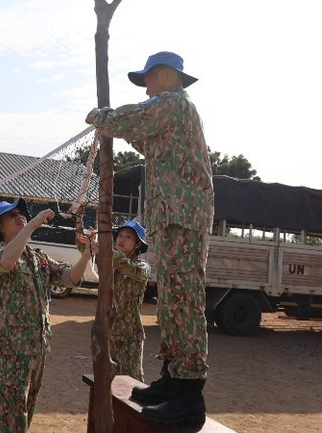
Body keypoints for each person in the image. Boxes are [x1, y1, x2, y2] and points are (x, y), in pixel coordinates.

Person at [86, 51, 214, 426]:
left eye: (147, 78)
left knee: (184, 300)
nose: (145, 86)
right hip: (174, 216)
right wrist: (116, 127)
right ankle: (173, 381)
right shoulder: (170, 116)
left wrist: (102, 117)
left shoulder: (174, 103)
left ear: (164, 75)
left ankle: (189, 395)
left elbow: (135, 119)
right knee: (172, 300)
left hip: (184, 216)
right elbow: (143, 136)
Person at [0, 197, 96, 433]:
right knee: (10, 412)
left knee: (26, 408)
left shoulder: (38, 257)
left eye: (21, 213)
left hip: (37, 347)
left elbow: (70, 278)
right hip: (13, 350)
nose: (20, 216)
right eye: (12, 215)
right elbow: (6, 262)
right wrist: (32, 225)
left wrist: (86, 255)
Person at [109, 220, 150, 382]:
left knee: (131, 382)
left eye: (128, 237)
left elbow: (127, 266)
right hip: (109, 332)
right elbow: (87, 250)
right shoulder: (112, 263)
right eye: (120, 235)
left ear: (138, 244)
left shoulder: (142, 266)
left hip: (130, 335)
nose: (122, 239)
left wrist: (105, 248)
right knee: (109, 380)